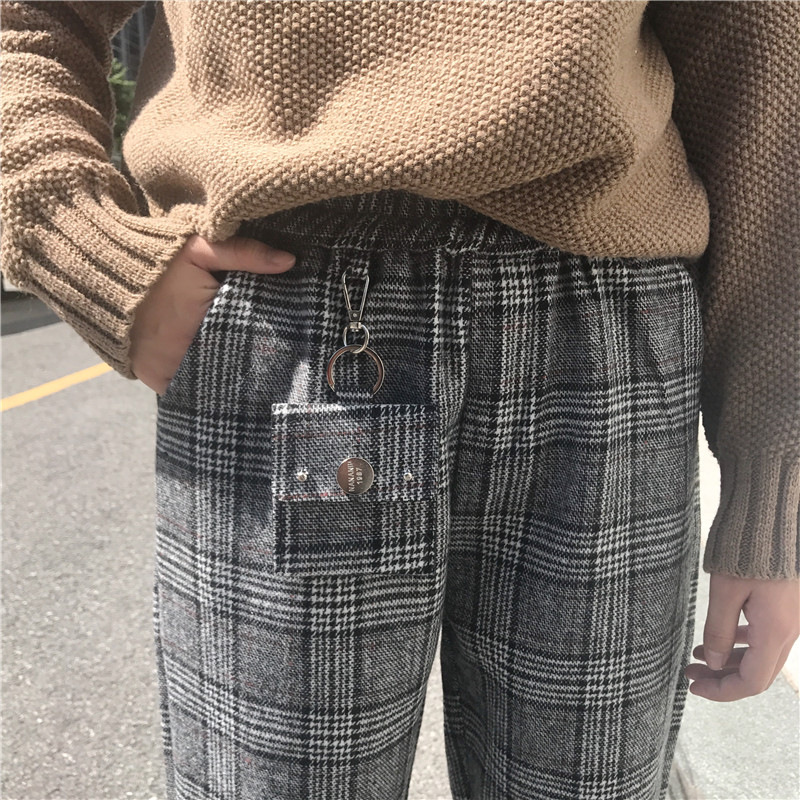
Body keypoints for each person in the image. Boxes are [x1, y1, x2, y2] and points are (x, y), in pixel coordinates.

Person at [1, 2, 797, 798]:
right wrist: (69, 229)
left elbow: (756, 62)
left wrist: (774, 483)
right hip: (291, 305)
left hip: (601, 321)